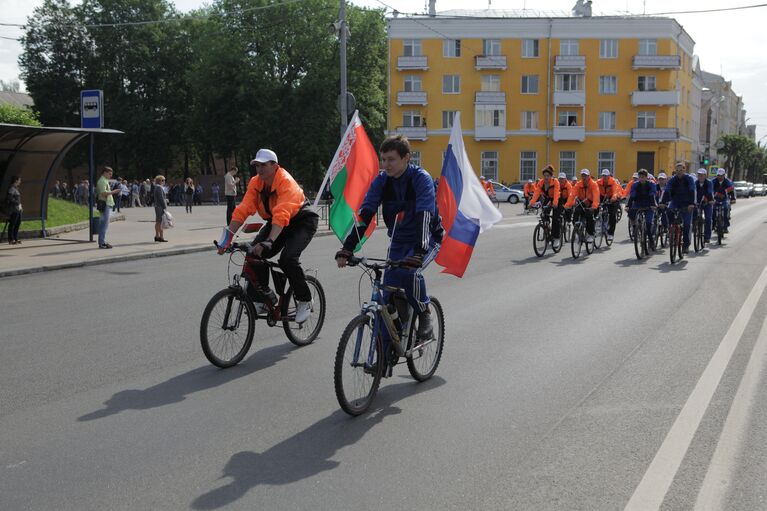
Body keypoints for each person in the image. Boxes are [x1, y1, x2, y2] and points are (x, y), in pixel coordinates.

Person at [335, 135, 442, 344]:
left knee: (409, 272)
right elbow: (365, 214)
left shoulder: (421, 178)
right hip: (399, 240)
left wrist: (420, 252)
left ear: (406, 158)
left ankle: (424, 313)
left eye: (391, 159)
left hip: (427, 238)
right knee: (387, 294)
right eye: (383, 159)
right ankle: (384, 356)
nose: (385, 165)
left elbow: (425, 215)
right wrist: (347, 248)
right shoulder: (382, 181)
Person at [217, 149, 319, 324]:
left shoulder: (286, 182)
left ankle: (304, 300)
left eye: (263, 164)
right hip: (278, 223)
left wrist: (269, 241)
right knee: (253, 254)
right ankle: (264, 298)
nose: (259, 168)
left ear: (275, 166)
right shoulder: (256, 183)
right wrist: (227, 239)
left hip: (301, 221)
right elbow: (243, 210)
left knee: (288, 259)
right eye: (257, 165)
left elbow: (282, 213)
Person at [660, 161, 696, 254]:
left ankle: (686, 246)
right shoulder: (672, 179)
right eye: (677, 170)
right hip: (675, 201)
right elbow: (667, 190)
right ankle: (672, 230)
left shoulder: (689, 179)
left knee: (687, 224)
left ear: (685, 169)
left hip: (687, 203)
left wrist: (692, 203)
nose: (679, 171)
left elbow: (692, 190)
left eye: (681, 170)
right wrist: (663, 202)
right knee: (668, 211)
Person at [565, 168, 600, 242]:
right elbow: (572, 195)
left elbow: (596, 196)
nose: (584, 178)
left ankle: (591, 234)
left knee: (589, 215)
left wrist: (593, 207)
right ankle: (579, 233)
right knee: (575, 217)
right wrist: (568, 204)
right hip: (582, 202)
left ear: (588, 176)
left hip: (592, 203)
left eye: (585, 176)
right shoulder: (578, 184)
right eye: (582, 176)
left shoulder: (593, 184)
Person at [627, 169, 658, 246]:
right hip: (638, 204)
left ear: (646, 177)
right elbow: (632, 195)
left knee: (648, 223)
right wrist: (628, 206)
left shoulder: (651, 184)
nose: (641, 179)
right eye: (640, 177)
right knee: (630, 213)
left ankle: (650, 239)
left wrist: (653, 205)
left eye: (643, 177)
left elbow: (652, 194)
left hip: (649, 204)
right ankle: (635, 228)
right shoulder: (635, 184)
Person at [529, 165, 561, 238]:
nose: (546, 177)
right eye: (545, 175)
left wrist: (555, 203)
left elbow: (556, 193)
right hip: (548, 198)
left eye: (548, 176)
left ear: (551, 176)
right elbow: (536, 193)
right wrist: (531, 203)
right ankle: (547, 226)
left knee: (555, 218)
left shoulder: (555, 182)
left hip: (557, 198)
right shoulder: (541, 182)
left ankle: (556, 238)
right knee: (544, 214)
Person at [96, 167, 121, 249]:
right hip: (104, 204)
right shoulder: (102, 181)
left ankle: (103, 241)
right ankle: (102, 242)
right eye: (109, 174)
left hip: (106, 204)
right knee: (104, 224)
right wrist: (114, 192)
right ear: (104, 172)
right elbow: (103, 193)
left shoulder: (104, 180)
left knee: (105, 224)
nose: (111, 176)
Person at [597, 169, 623, 241]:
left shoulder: (613, 182)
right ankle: (599, 222)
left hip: (612, 197)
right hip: (603, 196)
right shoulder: (598, 182)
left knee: (612, 214)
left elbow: (615, 191)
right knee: (597, 209)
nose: (604, 177)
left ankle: (611, 234)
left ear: (609, 176)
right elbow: (595, 191)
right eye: (603, 176)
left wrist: (613, 198)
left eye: (606, 176)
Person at [712, 168, 736, 232]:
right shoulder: (713, 181)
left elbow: (731, 189)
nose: (720, 177)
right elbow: (710, 190)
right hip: (715, 199)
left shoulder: (727, 181)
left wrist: (733, 198)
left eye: (721, 175)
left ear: (724, 175)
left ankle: (725, 226)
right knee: (713, 210)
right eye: (718, 175)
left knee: (726, 209)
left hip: (724, 199)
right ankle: (713, 224)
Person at [694, 168, 714, 244]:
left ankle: (707, 237)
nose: (700, 177)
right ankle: (695, 228)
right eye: (699, 175)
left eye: (702, 175)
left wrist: (710, 200)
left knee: (708, 218)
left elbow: (710, 191)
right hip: (697, 202)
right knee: (694, 215)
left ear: (705, 176)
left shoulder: (709, 183)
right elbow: (692, 192)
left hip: (707, 202)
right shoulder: (695, 183)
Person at [5, 176, 22, 245]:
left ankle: (15, 238)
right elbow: (9, 198)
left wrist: (20, 206)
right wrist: (17, 203)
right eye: (19, 180)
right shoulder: (11, 188)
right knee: (12, 224)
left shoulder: (16, 188)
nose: (20, 182)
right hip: (13, 209)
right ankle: (10, 239)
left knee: (18, 223)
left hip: (18, 209)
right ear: (16, 180)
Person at [154, 175, 169, 242]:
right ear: (159, 181)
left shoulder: (157, 187)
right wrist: (165, 206)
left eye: (164, 180)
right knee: (161, 222)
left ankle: (157, 236)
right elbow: (161, 198)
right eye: (163, 180)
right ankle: (161, 237)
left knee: (158, 222)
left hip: (157, 206)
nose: (164, 181)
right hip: (160, 206)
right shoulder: (159, 187)